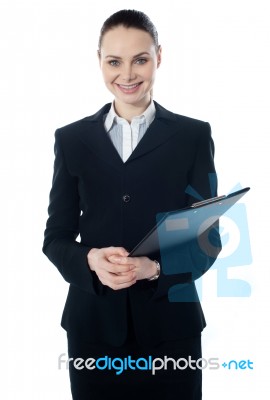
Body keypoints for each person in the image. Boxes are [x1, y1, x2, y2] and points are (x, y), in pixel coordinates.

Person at [42, 9, 221, 400]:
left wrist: (153, 268)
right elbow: (54, 239)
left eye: (140, 59)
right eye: (114, 61)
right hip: (93, 330)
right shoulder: (71, 139)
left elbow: (208, 242)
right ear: (99, 62)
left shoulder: (193, 137)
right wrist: (90, 260)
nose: (127, 74)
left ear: (159, 57)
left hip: (172, 332)